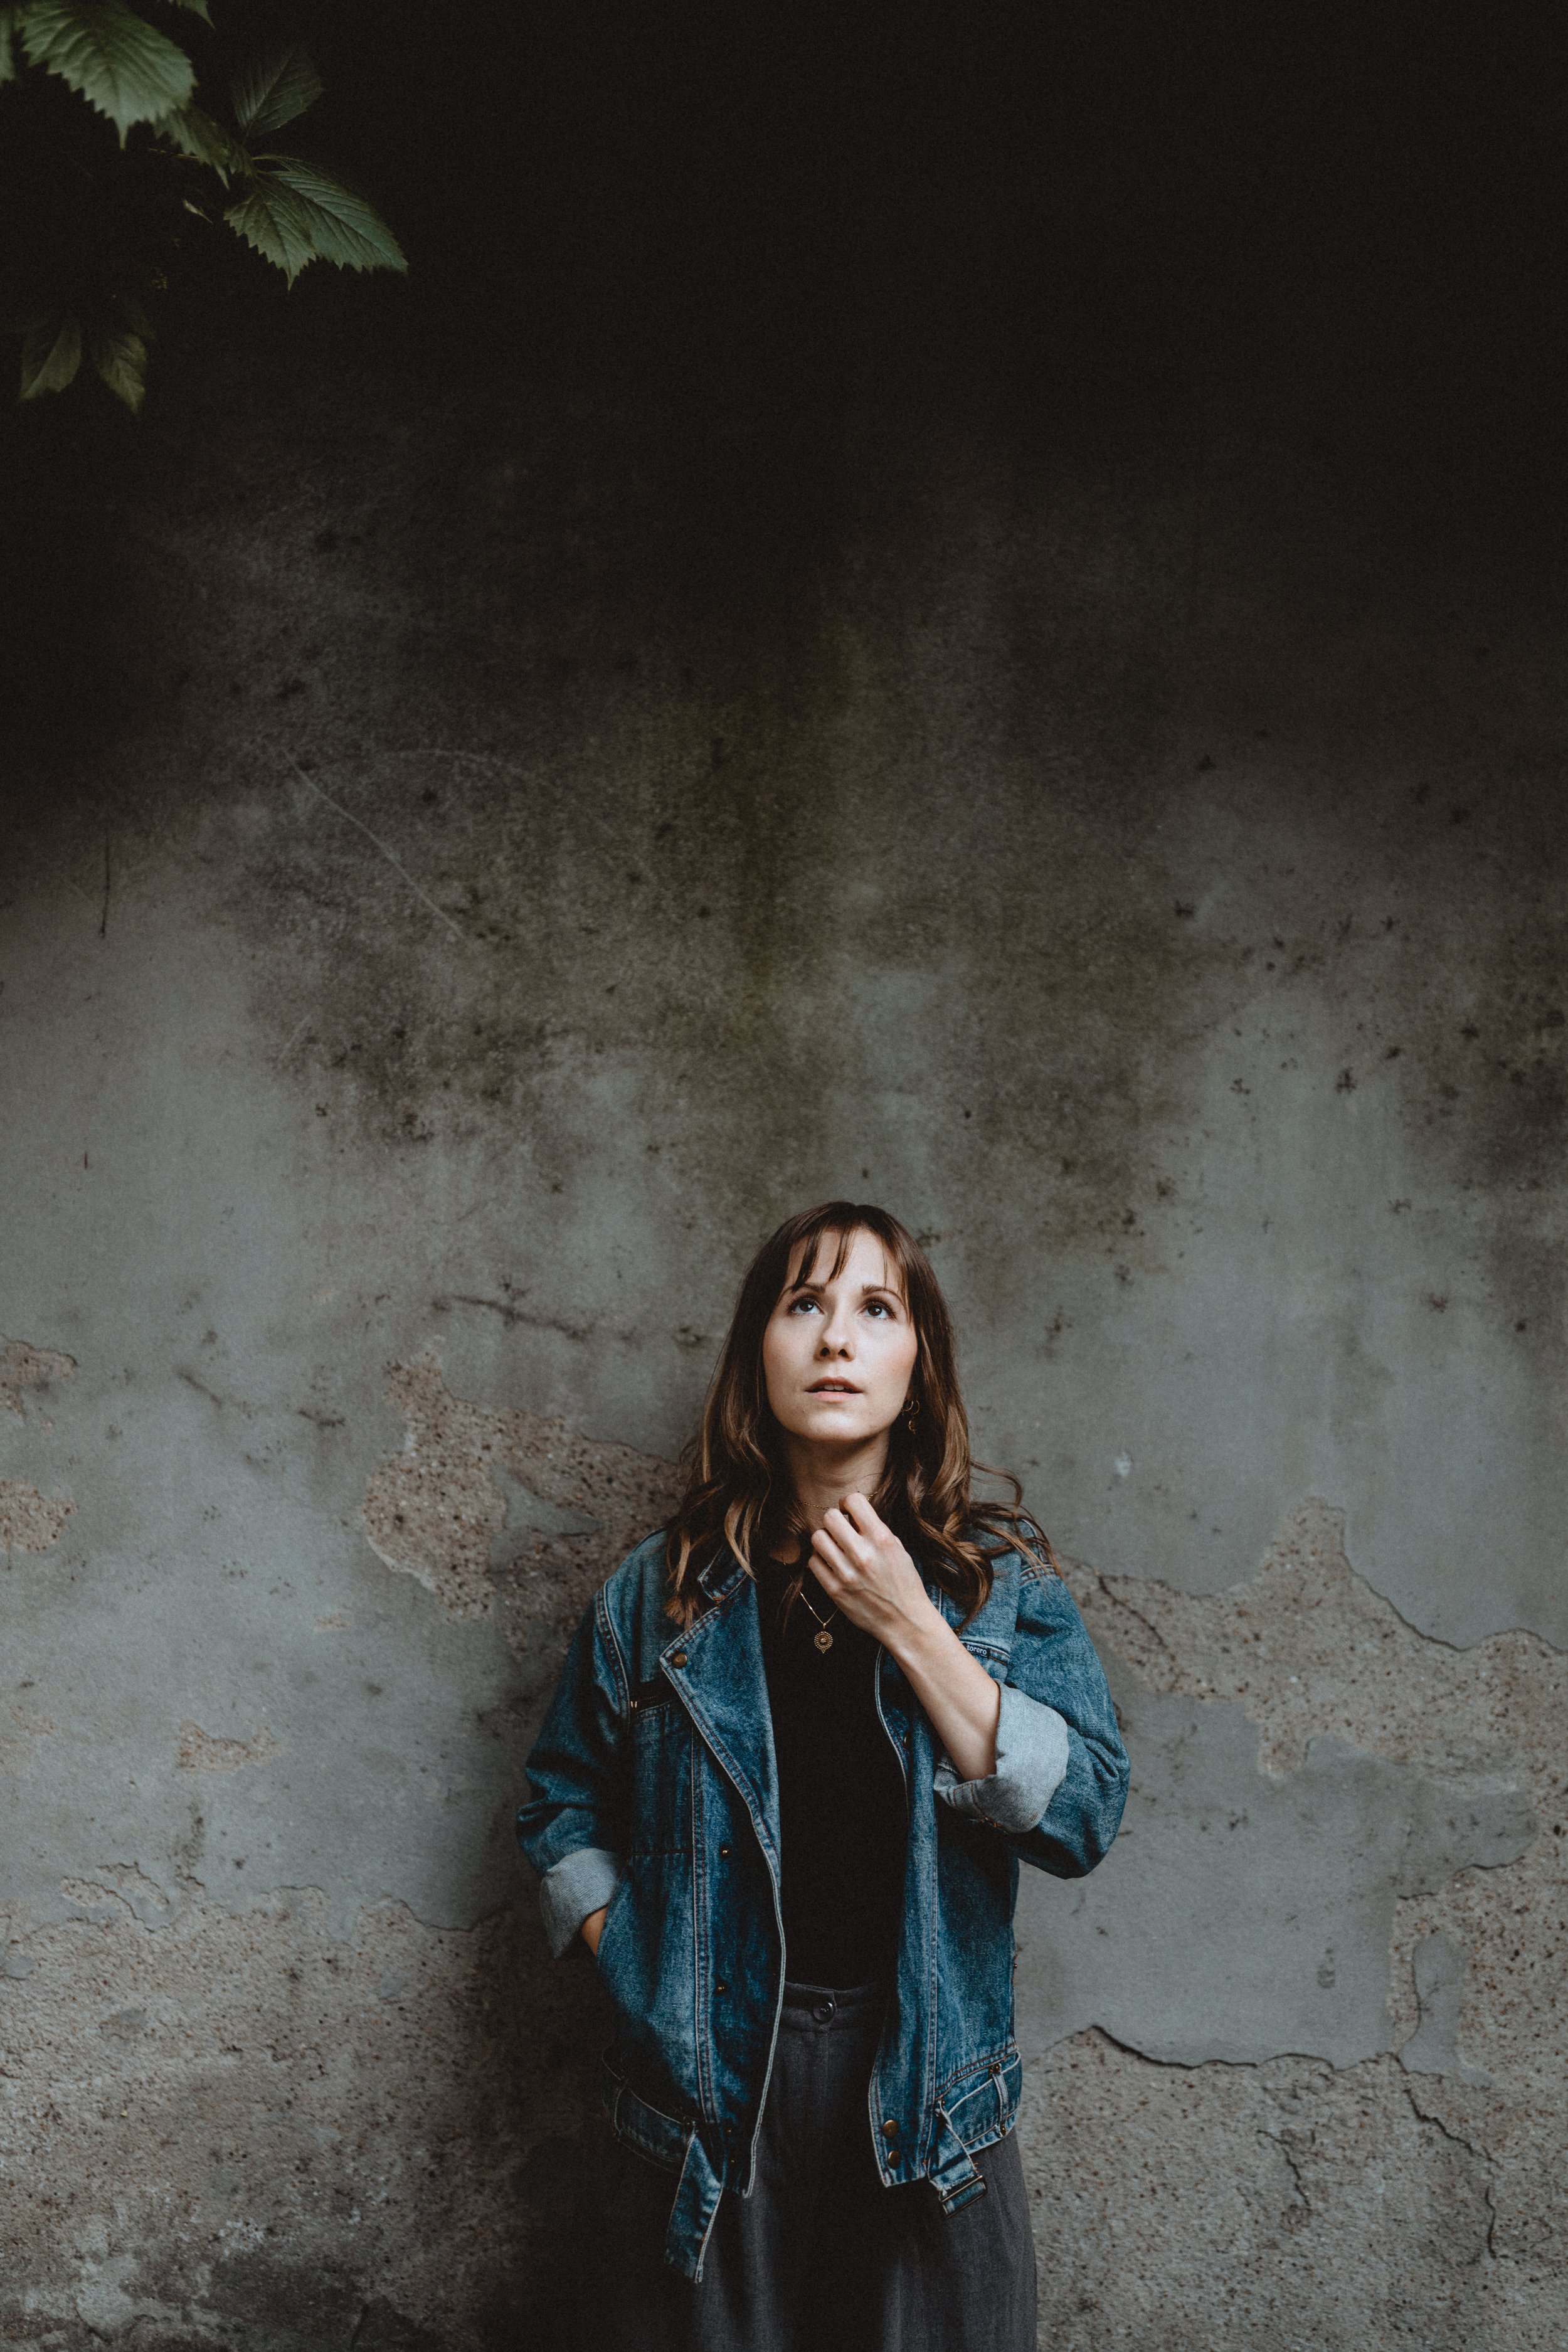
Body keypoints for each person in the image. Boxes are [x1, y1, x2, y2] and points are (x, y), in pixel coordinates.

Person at [518, 1202, 1130, 2351]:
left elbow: (1084, 1813)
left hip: (929, 2089)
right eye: (805, 1304)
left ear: (919, 1360)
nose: (837, 1338)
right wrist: (643, 1965)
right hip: (708, 2097)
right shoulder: (662, 1591)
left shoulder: (998, 1591)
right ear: (761, 1347)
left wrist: (913, 1623)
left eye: (876, 1308)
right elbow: (557, 1802)